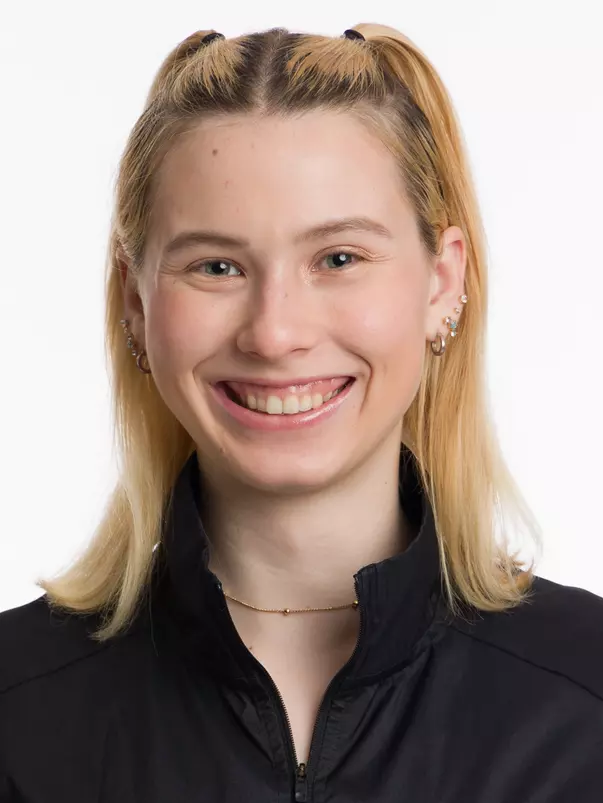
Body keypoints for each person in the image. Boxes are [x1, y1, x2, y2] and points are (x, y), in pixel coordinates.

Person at [0, 22, 601, 803]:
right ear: (134, 300)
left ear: (441, 283)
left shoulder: (585, 696)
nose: (275, 332)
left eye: (339, 259)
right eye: (216, 265)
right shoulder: (17, 712)